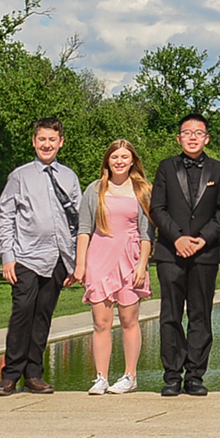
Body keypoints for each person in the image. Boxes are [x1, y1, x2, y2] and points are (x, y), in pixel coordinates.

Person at [0, 118, 87, 396]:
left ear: (61, 142)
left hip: (58, 258)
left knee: (43, 316)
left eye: (52, 139)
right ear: (34, 142)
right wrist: (7, 256)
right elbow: (5, 216)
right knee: (22, 312)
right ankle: (10, 375)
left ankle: (34, 374)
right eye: (42, 139)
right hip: (26, 256)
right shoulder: (20, 176)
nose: (47, 144)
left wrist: (75, 262)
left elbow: (78, 221)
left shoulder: (69, 177)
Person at [150, 112, 220, 397]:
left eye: (199, 132)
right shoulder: (166, 168)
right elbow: (157, 208)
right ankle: (172, 375)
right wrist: (178, 238)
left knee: (200, 315)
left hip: (204, 254)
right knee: (170, 316)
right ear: (179, 137)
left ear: (207, 138)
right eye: (187, 132)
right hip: (170, 253)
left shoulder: (219, 170)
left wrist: (202, 239)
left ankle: (195, 375)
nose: (193, 137)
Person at [80, 139, 152, 395]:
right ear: (107, 160)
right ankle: (101, 377)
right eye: (115, 157)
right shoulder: (95, 189)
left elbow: (146, 233)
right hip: (99, 258)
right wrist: (80, 265)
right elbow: (84, 229)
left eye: (124, 156)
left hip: (131, 258)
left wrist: (142, 265)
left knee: (129, 319)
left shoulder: (142, 190)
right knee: (101, 321)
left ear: (132, 160)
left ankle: (130, 376)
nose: (119, 161)